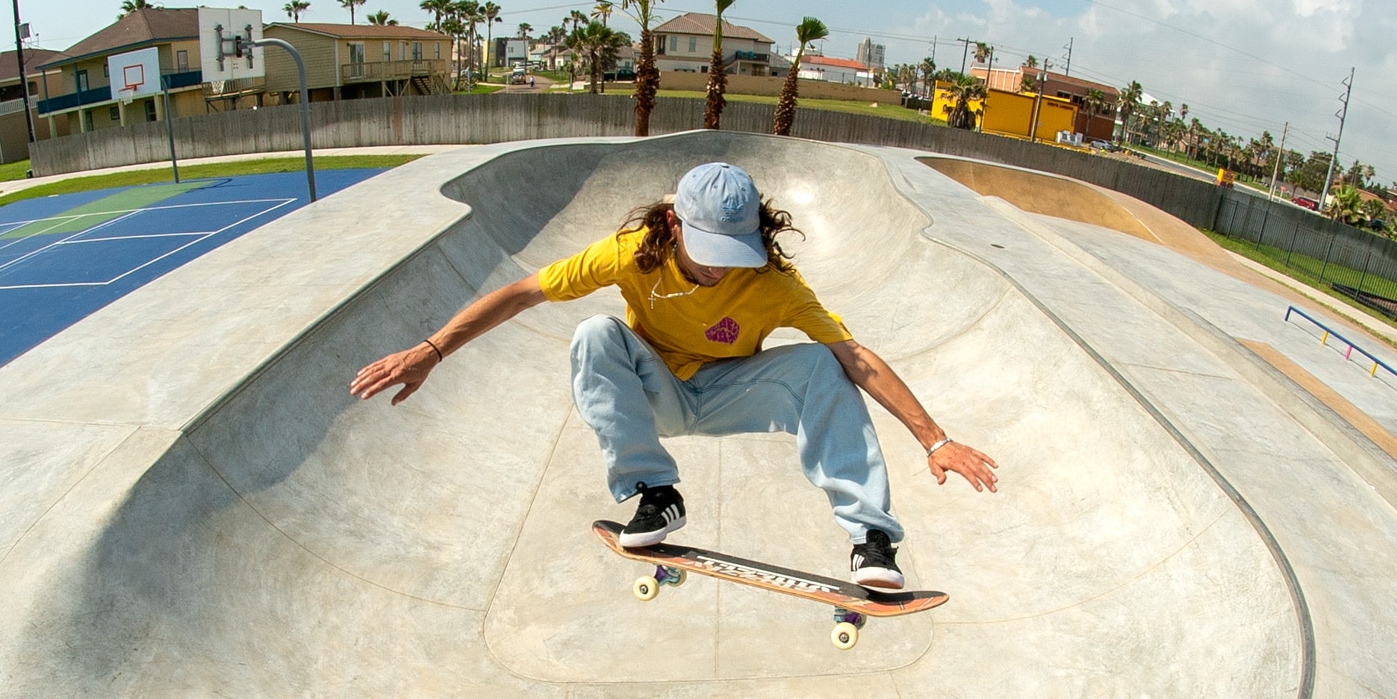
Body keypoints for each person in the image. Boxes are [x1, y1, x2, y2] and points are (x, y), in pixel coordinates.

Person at [348, 162, 998, 591]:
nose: (722, 269)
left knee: (822, 361)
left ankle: (872, 538)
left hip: (731, 394)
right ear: (671, 226)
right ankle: (656, 493)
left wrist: (934, 439)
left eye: (734, 254)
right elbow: (523, 292)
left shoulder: (774, 284)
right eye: (709, 253)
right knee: (595, 333)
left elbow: (856, 356)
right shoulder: (631, 254)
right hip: (656, 393)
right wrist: (432, 349)